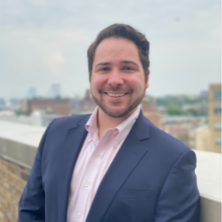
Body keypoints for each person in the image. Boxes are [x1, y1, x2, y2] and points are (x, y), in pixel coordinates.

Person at [18, 24, 200, 222]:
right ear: (91, 77)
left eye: (127, 68)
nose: (114, 80)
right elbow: (31, 210)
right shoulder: (56, 132)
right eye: (104, 68)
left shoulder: (173, 158)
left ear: (146, 78)